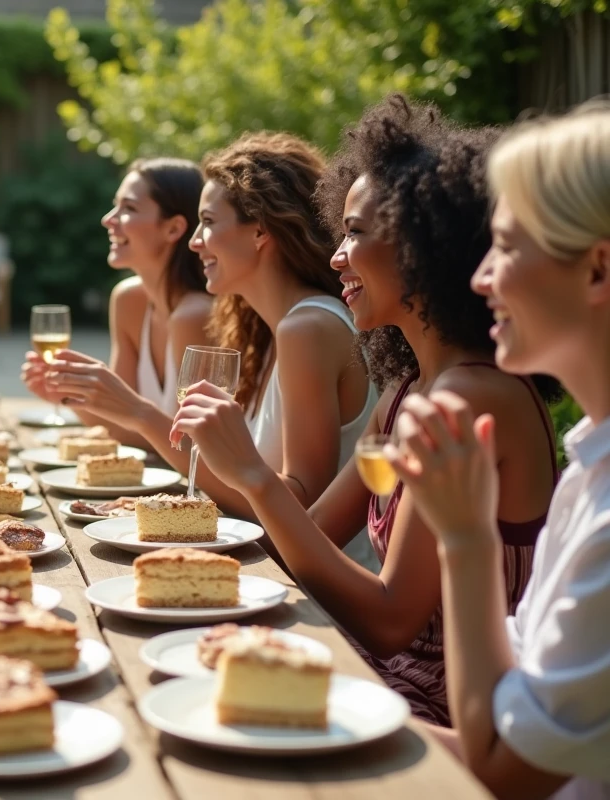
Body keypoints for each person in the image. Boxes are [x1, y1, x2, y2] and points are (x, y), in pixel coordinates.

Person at [167, 96, 559, 727]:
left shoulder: (471, 397)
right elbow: (308, 538)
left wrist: (253, 476)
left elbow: (388, 619)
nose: (335, 256)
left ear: (423, 245)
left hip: (449, 701)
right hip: (395, 671)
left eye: (355, 232)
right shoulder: (410, 388)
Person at [386, 105, 610, 799]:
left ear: (598, 268)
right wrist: (325, 707)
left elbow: (502, 771)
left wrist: (465, 537)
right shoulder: (588, 472)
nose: (480, 278)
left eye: (506, 247)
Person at [47, 133, 377, 523]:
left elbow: (301, 509)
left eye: (206, 223)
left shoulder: (308, 327)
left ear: (259, 231)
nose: (194, 243)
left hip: (309, 582)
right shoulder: (259, 328)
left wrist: (141, 414)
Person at [19, 158, 214, 448]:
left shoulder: (195, 314)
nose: (108, 219)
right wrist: (70, 397)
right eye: (115, 205)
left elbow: (186, 447)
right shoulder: (128, 300)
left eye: (129, 208)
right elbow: (124, 426)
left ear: (173, 228)